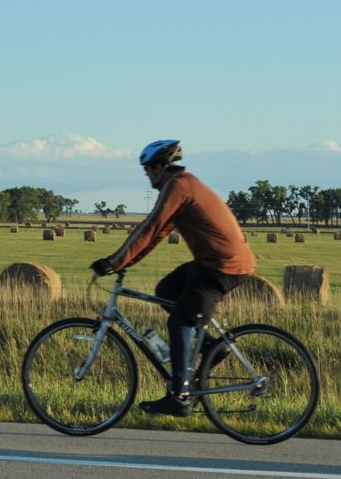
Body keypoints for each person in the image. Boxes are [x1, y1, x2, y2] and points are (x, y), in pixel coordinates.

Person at [90, 139, 255, 417]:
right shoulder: (182, 185)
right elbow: (158, 233)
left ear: (160, 167)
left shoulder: (178, 186)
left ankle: (180, 396)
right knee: (167, 288)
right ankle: (211, 347)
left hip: (223, 266)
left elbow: (150, 226)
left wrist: (114, 261)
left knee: (179, 319)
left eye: (148, 170)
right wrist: (125, 261)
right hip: (216, 262)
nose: (147, 176)